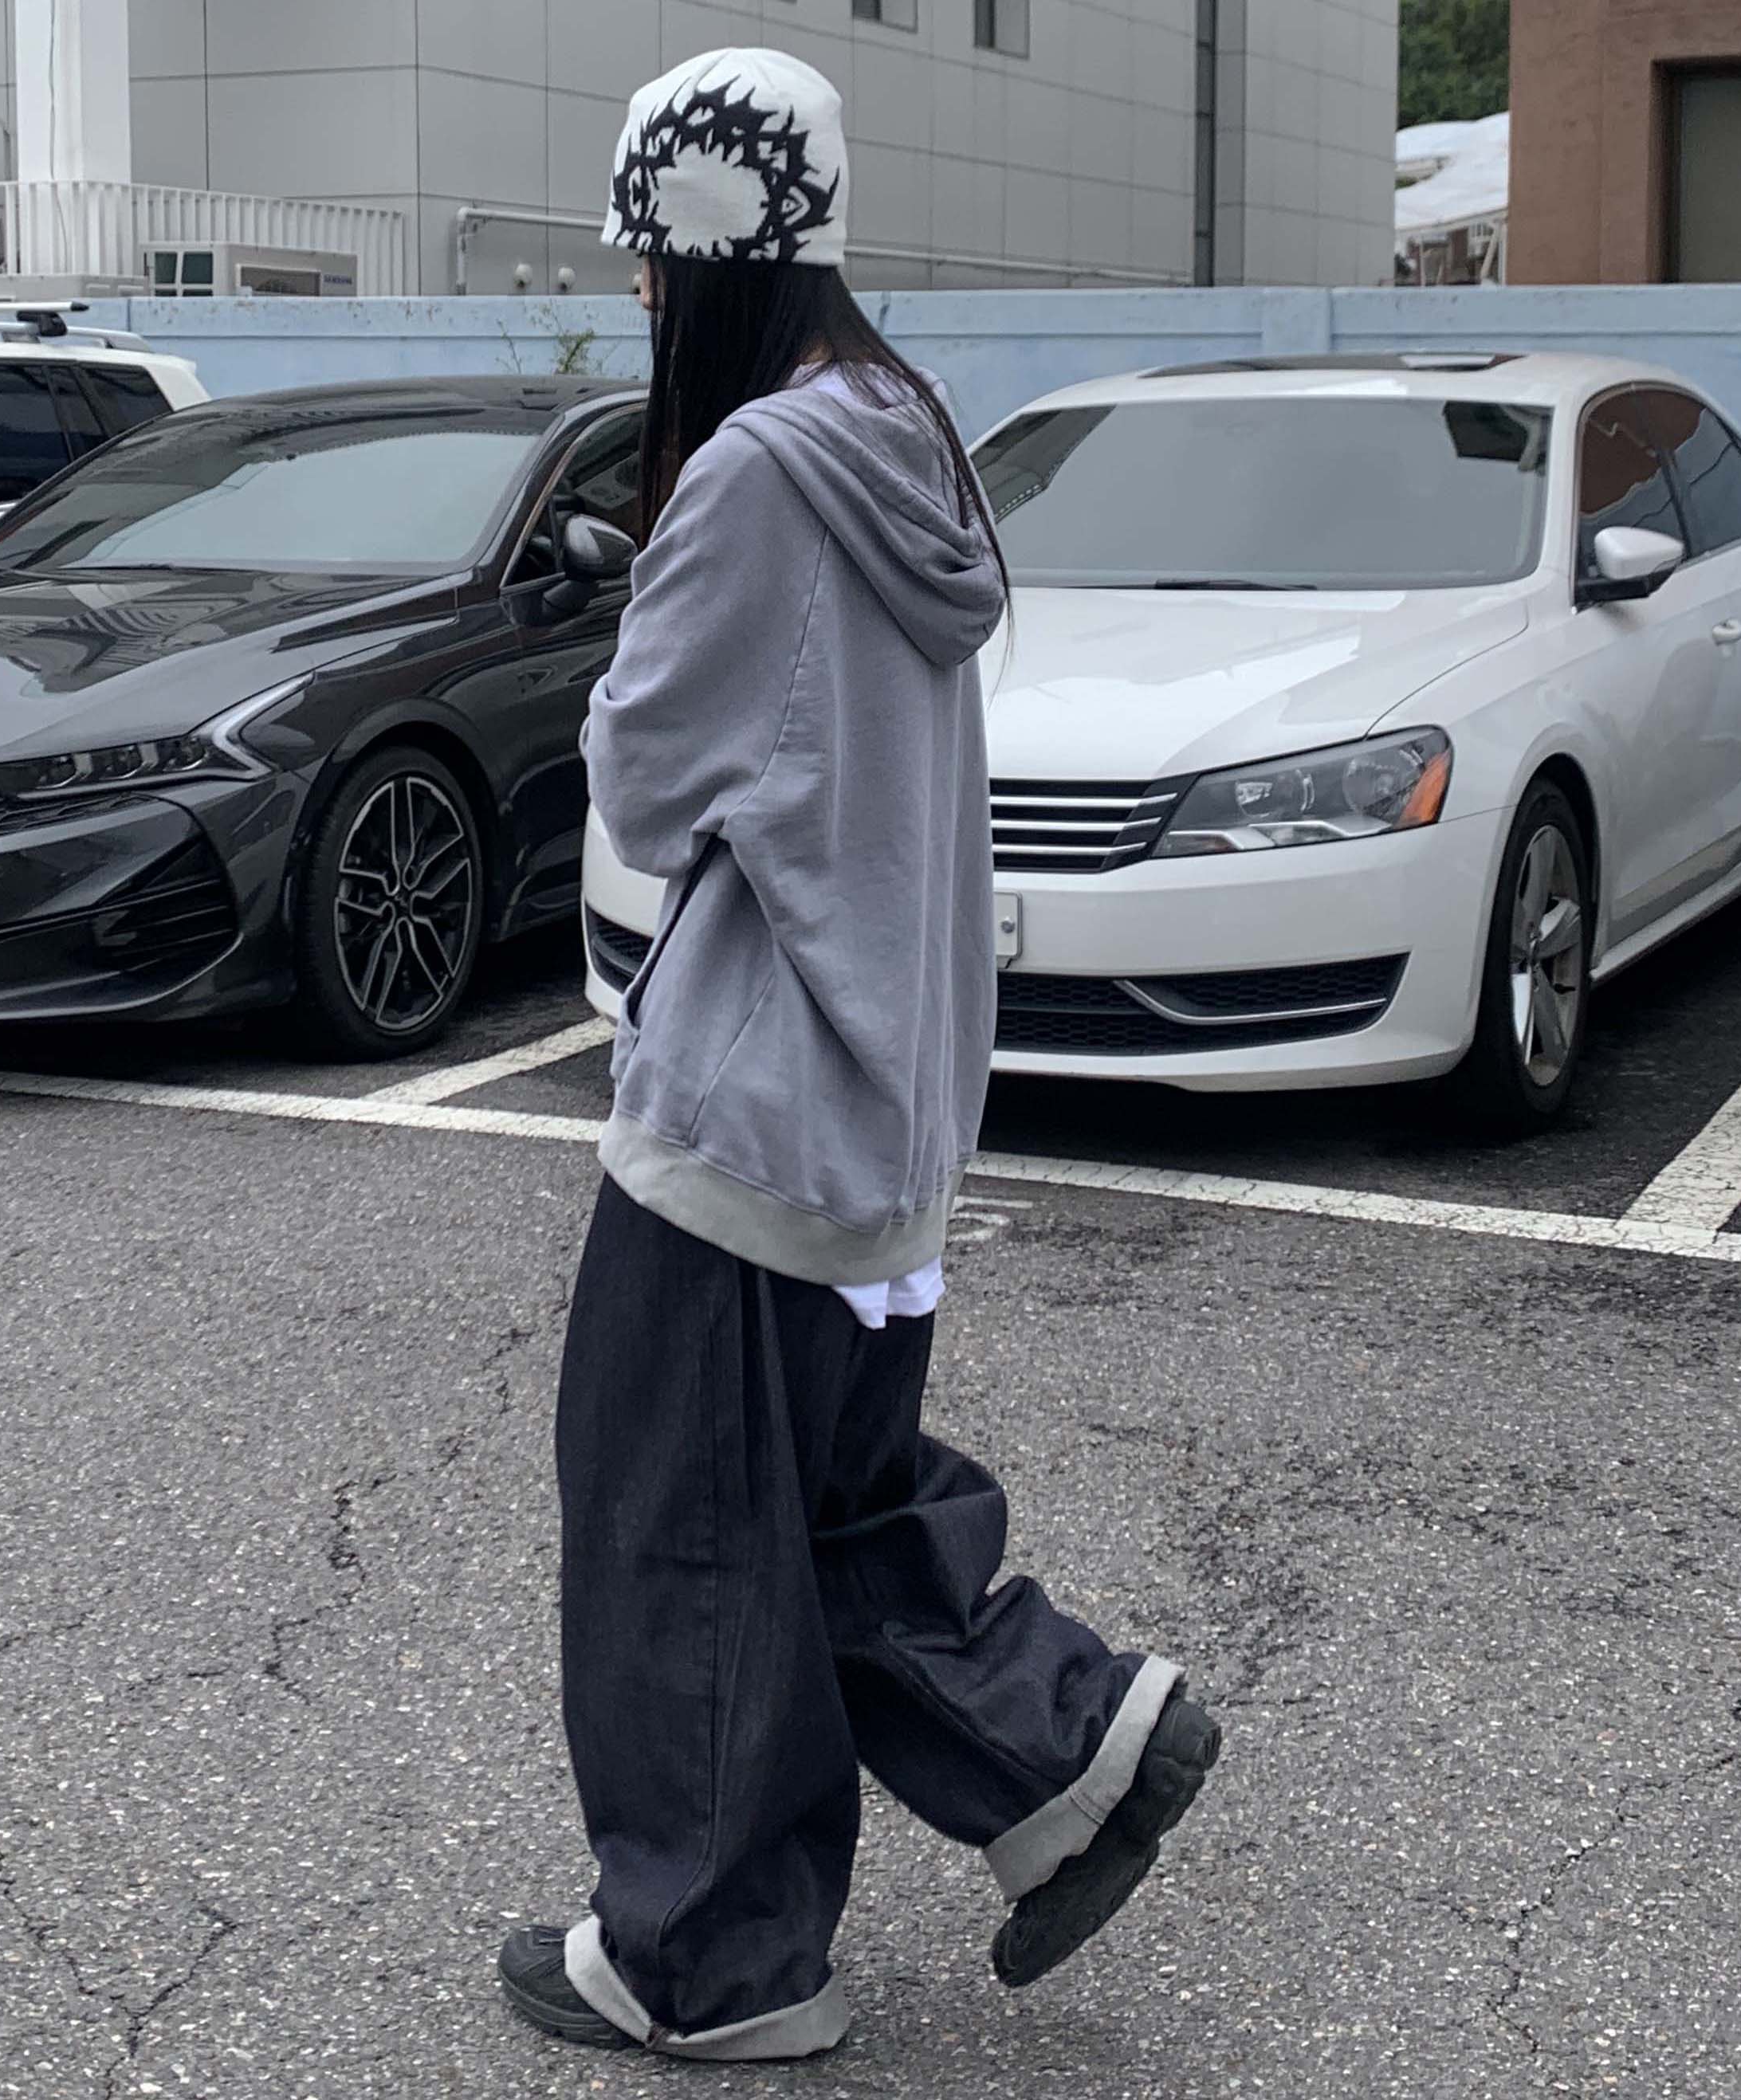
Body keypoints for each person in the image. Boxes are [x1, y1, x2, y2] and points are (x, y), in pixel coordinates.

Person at [498, 46, 1220, 2063]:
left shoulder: (748, 471)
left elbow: (646, 777)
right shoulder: (904, 429)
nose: (638, 292)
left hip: (752, 1088)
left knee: (672, 1527)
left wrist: (642, 619)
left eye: (647, 257)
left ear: (703, 244)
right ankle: (1072, 1745)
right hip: (885, 1086)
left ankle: (711, 1962)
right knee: (822, 1500)